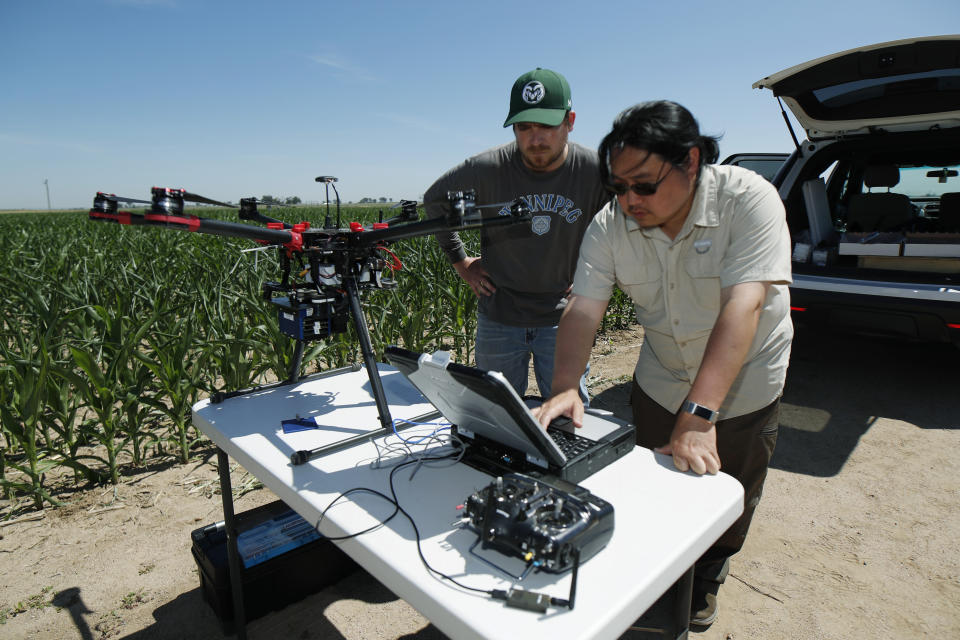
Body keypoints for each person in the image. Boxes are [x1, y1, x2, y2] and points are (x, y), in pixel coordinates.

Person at [533, 100, 793, 628]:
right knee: (655, 483)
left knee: (729, 490)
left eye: (644, 185)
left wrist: (699, 417)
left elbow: (743, 305)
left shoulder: (748, 200)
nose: (630, 201)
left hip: (742, 380)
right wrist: (564, 386)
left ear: (690, 162)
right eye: (618, 188)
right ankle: (664, 575)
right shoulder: (612, 224)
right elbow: (584, 307)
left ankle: (711, 573)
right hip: (661, 375)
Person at [424, 68, 608, 401]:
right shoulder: (488, 169)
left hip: (564, 319)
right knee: (496, 415)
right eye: (524, 127)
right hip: (500, 316)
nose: (536, 139)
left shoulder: (594, 171)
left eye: (547, 126)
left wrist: (599, 275)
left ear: (570, 120)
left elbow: (629, 223)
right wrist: (461, 262)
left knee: (569, 418)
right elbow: (434, 201)